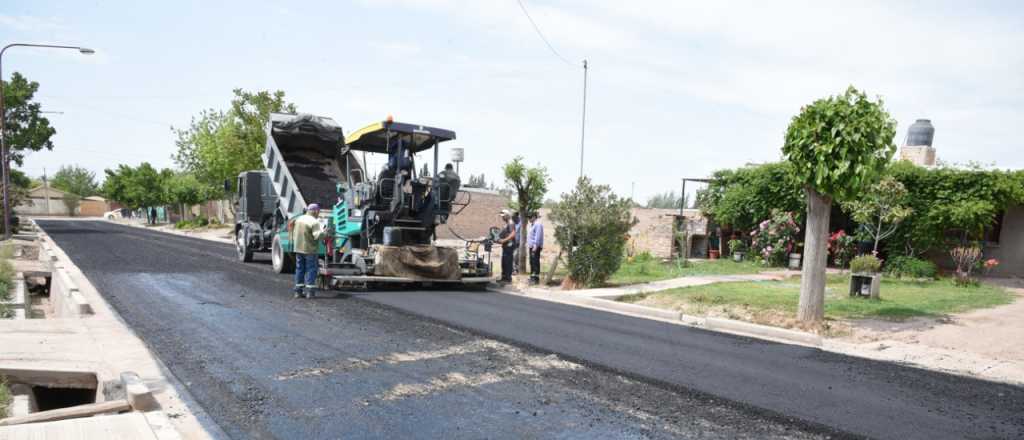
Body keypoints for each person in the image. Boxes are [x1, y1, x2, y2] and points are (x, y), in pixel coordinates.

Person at [290, 203, 327, 299]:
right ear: (315, 211)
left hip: (298, 249)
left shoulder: (299, 219)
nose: (318, 213)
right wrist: (325, 233)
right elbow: (317, 236)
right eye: (318, 211)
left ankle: (298, 292)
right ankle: (310, 292)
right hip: (310, 250)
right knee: (311, 269)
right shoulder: (314, 222)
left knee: (300, 269)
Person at [496, 209, 516, 283]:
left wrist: (504, 240)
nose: (502, 218)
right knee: (504, 261)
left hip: (509, 246)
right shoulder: (507, 223)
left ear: (507, 215)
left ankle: (508, 278)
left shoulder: (511, 223)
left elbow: (513, 234)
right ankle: (504, 277)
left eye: (503, 216)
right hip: (505, 246)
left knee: (508, 262)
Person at [527, 212, 544, 285]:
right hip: (532, 247)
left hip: (535, 247)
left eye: (530, 217)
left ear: (534, 217)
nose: (529, 219)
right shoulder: (532, 225)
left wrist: (535, 246)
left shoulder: (538, 224)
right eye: (528, 217)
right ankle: (532, 277)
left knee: (535, 262)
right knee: (532, 262)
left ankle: (535, 279)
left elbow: (538, 236)